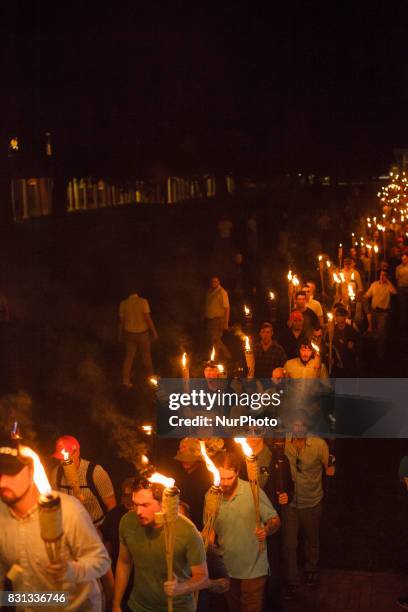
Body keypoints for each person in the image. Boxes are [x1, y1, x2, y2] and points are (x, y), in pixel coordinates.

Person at [0, 439, 111, 610]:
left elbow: (101, 561)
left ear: (32, 471)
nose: (2, 482)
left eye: (11, 472)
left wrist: (71, 571)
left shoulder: (69, 510)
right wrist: (7, 600)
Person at [113, 477, 208, 612]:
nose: (138, 511)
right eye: (135, 504)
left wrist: (180, 588)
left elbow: (202, 577)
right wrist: (116, 604)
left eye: (145, 505)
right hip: (138, 606)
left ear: (163, 503)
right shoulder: (127, 522)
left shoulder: (187, 531)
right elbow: (124, 562)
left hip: (176, 608)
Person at [209, 451, 280, 612]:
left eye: (229, 478)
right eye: (221, 478)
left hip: (254, 569)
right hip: (227, 569)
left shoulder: (253, 492)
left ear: (238, 473)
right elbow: (210, 530)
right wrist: (207, 544)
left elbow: (275, 521)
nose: (225, 483)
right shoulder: (211, 496)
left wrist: (266, 529)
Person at [283, 411, 335, 598]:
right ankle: (292, 580)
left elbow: (329, 469)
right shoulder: (284, 443)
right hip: (290, 503)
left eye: (303, 425)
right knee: (290, 543)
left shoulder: (319, 445)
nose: (299, 429)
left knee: (311, 540)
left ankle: (311, 570)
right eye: (296, 425)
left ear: (308, 427)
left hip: (312, 501)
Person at [245, 437, 293, 611]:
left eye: (256, 431)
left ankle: (271, 603)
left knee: (272, 564)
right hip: (248, 524)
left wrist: (287, 496)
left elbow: (289, 486)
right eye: (248, 431)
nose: (251, 437)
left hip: (272, 523)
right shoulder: (239, 459)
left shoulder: (278, 459)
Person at [51, 435, 117, 528]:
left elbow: (112, 505)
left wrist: (107, 530)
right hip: (70, 529)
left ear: (77, 452)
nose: (64, 461)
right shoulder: (56, 474)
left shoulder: (96, 472)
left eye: (67, 457)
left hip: (96, 528)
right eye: (61, 458)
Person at [118, 287, 158, 388]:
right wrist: (154, 332)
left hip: (129, 334)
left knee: (129, 358)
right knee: (146, 355)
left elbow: (121, 322)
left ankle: (125, 381)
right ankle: (151, 378)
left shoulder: (123, 304)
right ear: (137, 292)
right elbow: (147, 318)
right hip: (142, 334)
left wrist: (119, 334)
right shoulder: (143, 302)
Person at [173, 438, 213, 531]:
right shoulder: (179, 473)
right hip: (182, 523)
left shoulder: (206, 476)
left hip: (200, 525)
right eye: (183, 457)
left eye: (188, 458)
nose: (185, 461)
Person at [365, 269, 397, 359]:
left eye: (384, 275)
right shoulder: (374, 284)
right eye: (381, 275)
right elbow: (367, 295)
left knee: (381, 333)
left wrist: (388, 281)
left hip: (383, 313)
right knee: (374, 332)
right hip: (374, 311)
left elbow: (394, 292)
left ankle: (380, 354)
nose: (382, 277)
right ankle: (373, 352)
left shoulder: (388, 286)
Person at [204, 276, 231, 360]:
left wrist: (226, 322)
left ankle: (228, 356)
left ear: (219, 282)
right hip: (210, 320)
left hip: (218, 319)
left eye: (215, 281)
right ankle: (216, 359)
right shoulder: (209, 291)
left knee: (216, 339)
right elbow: (207, 304)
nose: (213, 283)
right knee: (213, 341)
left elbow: (227, 307)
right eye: (212, 281)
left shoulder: (222, 292)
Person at [396, 250, 408, 339]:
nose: (404, 260)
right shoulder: (398, 268)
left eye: (405, 259)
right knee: (402, 307)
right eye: (402, 259)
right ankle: (402, 326)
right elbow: (397, 278)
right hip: (401, 289)